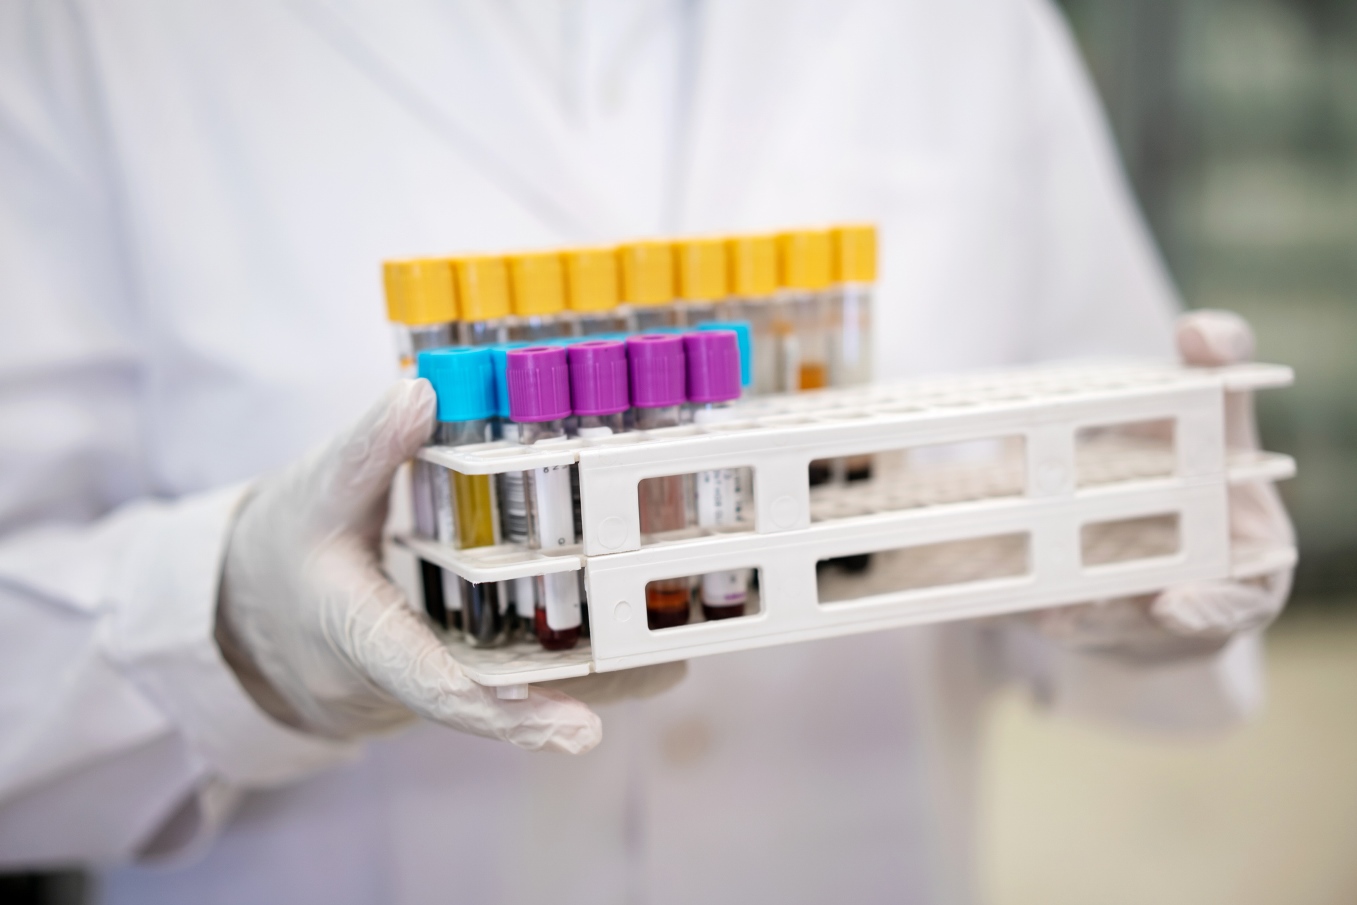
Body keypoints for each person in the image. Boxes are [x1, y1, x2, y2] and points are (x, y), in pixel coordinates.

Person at [0, 1, 1293, 902]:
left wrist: (1142, 568)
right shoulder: (91, 30)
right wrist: (234, 628)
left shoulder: (965, 24)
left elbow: (1114, 514)